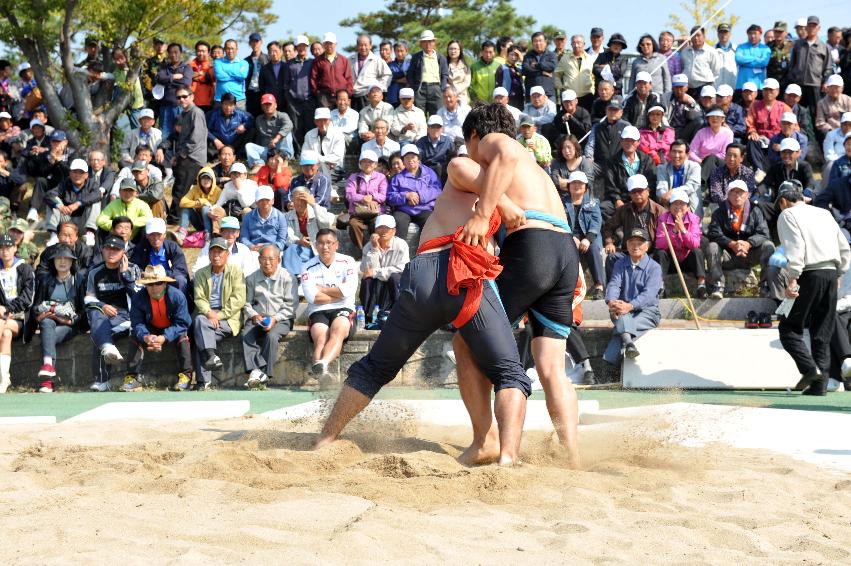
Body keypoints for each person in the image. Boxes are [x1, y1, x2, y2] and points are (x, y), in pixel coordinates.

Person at [314, 157, 530, 467]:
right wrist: (505, 205)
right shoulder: (475, 169)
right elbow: (462, 167)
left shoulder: (488, 188)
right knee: (509, 372)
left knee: (376, 367)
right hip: (456, 274)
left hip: (439, 277)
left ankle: (325, 440)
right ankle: (508, 458)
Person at [451, 103, 581, 467]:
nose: (470, 153)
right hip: (563, 251)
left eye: (469, 145)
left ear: (476, 136)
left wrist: (481, 212)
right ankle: (572, 454)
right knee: (551, 366)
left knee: (466, 339)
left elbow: (504, 151)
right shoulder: (535, 169)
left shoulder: (499, 143)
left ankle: (489, 443)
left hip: (532, 247)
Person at [776, 182, 851, 396]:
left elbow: (796, 249)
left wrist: (792, 279)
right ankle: (819, 386)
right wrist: (839, 273)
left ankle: (811, 369)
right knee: (822, 332)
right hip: (830, 274)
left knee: (788, 329)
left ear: (783, 201)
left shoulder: (787, 215)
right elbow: (844, 248)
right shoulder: (824, 214)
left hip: (809, 273)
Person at [300, 229, 359, 381]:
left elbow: (350, 290)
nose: (325, 247)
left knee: (337, 330)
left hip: (344, 309)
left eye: (329, 243)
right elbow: (312, 297)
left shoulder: (348, 261)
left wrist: (323, 289)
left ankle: (322, 364)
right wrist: (338, 293)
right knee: (320, 338)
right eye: (320, 243)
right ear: (315, 245)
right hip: (318, 310)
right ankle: (322, 374)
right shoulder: (307, 267)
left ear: (336, 245)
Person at [84, 235, 141, 391]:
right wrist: (103, 306)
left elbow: (139, 297)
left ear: (123, 252)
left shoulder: (133, 269)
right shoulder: (94, 272)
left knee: (99, 333)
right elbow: (89, 299)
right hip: (103, 316)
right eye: (108, 248)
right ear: (102, 250)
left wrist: (125, 275)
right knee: (96, 315)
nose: (111, 252)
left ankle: (102, 380)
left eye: (116, 249)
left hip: (127, 317)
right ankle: (108, 347)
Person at [706, 180, 776, 299]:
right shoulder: (719, 212)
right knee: (712, 246)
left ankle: (765, 285)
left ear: (747, 195)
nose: (737, 196)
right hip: (727, 255)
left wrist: (748, 243)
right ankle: (717, 285)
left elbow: (763, 233)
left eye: (740, 192)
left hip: (749, 254)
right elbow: (713, 233)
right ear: (728, 195)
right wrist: (732, 244)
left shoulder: (756, 211)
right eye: (733, 192)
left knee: (769, 246)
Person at [127, 265, 193, 392]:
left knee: (182, 335)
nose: (154, 287)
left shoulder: (177, 296)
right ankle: (132, 377)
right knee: (135, 334)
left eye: (158, 283)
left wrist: (165, 337)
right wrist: (146, 337)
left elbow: (183, 323)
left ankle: (186, 375)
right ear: (145, 285)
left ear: (165, 283)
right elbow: (137, 323)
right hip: (150, 328)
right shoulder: (138, 298)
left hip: (172, 328)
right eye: (150, 284)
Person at [30, 244, 85, 393]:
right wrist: (39, 316)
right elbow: (36, 305)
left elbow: (84, 309)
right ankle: (48, 367)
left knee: (48, 336)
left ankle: (47, 380)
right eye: (58, 258)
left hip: (69, 325)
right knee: (47, 323)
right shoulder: (46, 280)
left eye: (66, 259)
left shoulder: (79, 279)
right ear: (53, 262)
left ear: (72, 261)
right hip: (48, 322)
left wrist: (69, 321)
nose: (62, 262)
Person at [192, 237, 246, 388]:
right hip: (207, 316)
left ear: (227, 255)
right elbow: (199, 298)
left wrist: (219, 315)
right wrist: (209, 313)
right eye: (213, 252)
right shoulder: (202, 273)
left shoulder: (235, 271)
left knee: (200, 331)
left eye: (220, 252)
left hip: (228, 318)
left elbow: (238, 299)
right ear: (208, 254)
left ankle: (204, 381)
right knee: (200, 325)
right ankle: (211, 358)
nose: (216, 255)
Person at [603, 228, 662, 363]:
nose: (635, 247)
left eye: (639, 243)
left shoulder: (654, 267)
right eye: (632, 243)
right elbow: (614, 284)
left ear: (647, 246)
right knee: (620, 314)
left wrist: (630, 306)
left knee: (625, 325)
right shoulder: (620, 263)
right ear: (627, 245)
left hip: (648, 311)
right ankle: (629, 345)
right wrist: (612, 302)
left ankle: (610, 363)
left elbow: (649, 294)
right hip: (623, 310)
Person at [242, 244, 298, 388]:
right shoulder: (251, 278)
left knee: (272, 336)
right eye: (264, 259)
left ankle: (264, 374)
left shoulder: (288, 277)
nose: (267, 263)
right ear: (259, 260)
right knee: (246, 333)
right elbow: (246, 303)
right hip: (259, 317)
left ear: (278, 260)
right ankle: (255, 370)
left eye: (271, 259)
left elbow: (291, 305)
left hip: (282, 318)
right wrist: (254, 315)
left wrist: (275, 319)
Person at [602, 173, 666, 278]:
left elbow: (664, 237)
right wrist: (609, 242)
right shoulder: (624, 209)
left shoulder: (660, 211)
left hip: (651, 254)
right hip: (629, 253)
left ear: (648, 191)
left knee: (661, 254)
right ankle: (614, 289)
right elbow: (608, 227)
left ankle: (658, 286)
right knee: (612, 258)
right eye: (633, 191)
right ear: (630, 194)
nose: (637, 194)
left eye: (640, 191)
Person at [654, 189, 707, 298]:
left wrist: (683, 231)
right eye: (675, 203)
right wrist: (673, 231)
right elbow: (659, 243)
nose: (678, 206)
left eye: (682, 203)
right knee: (659, 253)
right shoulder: (663, 219)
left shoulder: (694, 219)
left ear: (687, 207)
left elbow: (695, 243)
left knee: (697, 252)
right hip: (671, 261)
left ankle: (701, 286)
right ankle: (660, 287)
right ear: (669, 206)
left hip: (686, 259)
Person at [359, 214, 409, 323]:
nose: (383, 231)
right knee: (367, 280)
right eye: (380, 228)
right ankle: (368, 315)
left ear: (394, 231)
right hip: (377, 283)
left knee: (395, 277)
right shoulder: (369, 246)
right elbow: (366, 271)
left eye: (387, 228)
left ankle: (400, 313)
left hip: (393, 282)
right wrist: (374, 249)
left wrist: (376, 272)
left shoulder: (401, 245)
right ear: (375, 230)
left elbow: (402, 268)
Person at [386, 145, 441, 244]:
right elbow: (390, 197)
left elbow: (437, 190)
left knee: (430, 222)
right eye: (407, 158)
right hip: (404, 210)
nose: (410, 160)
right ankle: (400, 253)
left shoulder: (429, 173)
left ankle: (426, 252)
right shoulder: (398, 178)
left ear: (418, 158)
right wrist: (406, 196)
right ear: (403, 161)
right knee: (399, 221)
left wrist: (419, 195)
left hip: (425, 209)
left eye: (413, 157)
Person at [562, 171, 604, 299]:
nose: (577, 185)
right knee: (565, 249)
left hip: (589, 237)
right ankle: (568, 288)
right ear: (568, 186)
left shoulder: (593, 202)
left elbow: (596, 222)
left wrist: (588, 239)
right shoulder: (561, 202)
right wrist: (571, 237)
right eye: (573, 183)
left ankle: (599, 286)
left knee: (594, 248)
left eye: (580, 183)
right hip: (568, 237)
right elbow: (560, 221)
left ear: (586, 186)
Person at [0, 233, 34, 393]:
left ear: (15, 248)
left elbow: (28, 298)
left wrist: (8, 309)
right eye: (1, 248)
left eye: (8, 247)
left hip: (21, 319)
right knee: (5, 334)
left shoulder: (24, 268)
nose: (4, 251)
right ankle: (4, 378)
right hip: (3, 319)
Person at [600, 126, 657, 220]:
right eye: (626, 140)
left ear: (638, 142)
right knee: (603, 208)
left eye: (632, 140)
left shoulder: (647, 160)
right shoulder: (612, 161)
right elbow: (610, 185)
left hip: (642, 198)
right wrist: (617, 200)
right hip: (621, 199)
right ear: (621, 142)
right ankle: (613, 232)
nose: (629, 143)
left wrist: (641, 198)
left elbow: (651, 183)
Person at [170, 86, 207, 223]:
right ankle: (176, 218)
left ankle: (174, 219)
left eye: (184, 96)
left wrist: (182, 154)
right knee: (179, 189)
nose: (182, 100)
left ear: (192, 96)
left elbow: (195, 138)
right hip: (186, 155)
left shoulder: (196, 112)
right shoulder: (184, 114)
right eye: (179, 97)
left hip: (192, 157)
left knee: (180, 190)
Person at [44, 158, 100, 247]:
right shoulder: (65, 183)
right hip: (67, 220)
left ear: (86, 175)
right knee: (54, 202)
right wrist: (60, 206)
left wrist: (78, 203)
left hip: (84, 222)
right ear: (70, 173)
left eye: (80, 172)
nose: (77, 175)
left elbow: (97, 194)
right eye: (74, 172)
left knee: (95, 202)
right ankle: (54, 234)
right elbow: (49, 195)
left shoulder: (92, 183)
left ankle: (90, 234)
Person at [129, 217, 189, 294]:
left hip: (169, 279)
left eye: (159, 234)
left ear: (164, 235)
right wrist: (143, 273)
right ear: (147, 235)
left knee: (180, 280)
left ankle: (179, 303)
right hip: (148, 281)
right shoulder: (140, 248)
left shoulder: (173, 247)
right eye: (152, 234)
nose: (155, 238)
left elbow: (181, 270)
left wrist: (161, 274)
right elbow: (134, 266)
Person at [344, 149, 387, 255]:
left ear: (375, 164)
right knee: (354, 224)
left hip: (375, 211)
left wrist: (372, 197)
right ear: (360, 163)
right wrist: (362, 198)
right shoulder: (353, 177)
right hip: (358, 212)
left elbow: (383, 196)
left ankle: (377, 250)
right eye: (364, 161)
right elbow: (349, 195)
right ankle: (363, 251)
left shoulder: (381, 177)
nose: (367, 164)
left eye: (370, 161)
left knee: (377, 225)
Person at [787, 16, 832, 112]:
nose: (812, 28)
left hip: (815, 84)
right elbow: (791, 65)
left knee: (816, 111)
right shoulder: (798, 44)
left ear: (819, 28)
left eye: (814, 26)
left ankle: (816, 128)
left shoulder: (824, 47)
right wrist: (793, 79)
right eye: (810, 26)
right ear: (806, 27)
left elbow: (828, 67)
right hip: (798, 84)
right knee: (798, 111)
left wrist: (825, 81)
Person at [192, 216, 258, 277]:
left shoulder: (243, 250)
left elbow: (248, 273)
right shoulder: (208, 247)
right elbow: (197, 270)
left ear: (238, 233)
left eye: (233, 231)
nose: (230, 235)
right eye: (227, 231)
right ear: (220, 232)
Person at [244, 93, 293, 171]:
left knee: (287, 133)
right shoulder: (259, 119)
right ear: (262, 106)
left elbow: (289, 125)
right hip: (267, 150)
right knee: (249, 146)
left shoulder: (283, 116)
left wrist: (277, 138)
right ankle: (259, 164)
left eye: (269, 104)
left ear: (275, 105)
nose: (267, 106)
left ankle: (284, 160)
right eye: (265, 104)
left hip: (281, 149)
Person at [96, 177, 153, 241]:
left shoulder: (141, 204)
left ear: (136, 193)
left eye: (131, 191)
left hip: (136, 238)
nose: (127, 193)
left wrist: (128, 224)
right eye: (125, 190)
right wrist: (117, 225)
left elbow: (149, 218)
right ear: (119, 191)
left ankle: (144, 250)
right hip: (116, 236)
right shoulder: (113, 204)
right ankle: (100, 250)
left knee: (146, 228)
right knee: (100, 230)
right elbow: (100, 220)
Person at [156, 43, 193, 140]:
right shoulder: (164, 67)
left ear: (181, 53)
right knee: (164, 135)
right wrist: (173, 77)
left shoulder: (187, 68)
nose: (173, 55)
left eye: (176, 52)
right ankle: (164, 155)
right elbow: (159, 78)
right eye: (171, 53)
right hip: (165, 107)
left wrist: (167, 81)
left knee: (182, 134)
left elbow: (186, 83)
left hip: (181, 107)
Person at [176, 166, 220, 246]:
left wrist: (206, 206)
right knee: (186, 209)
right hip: (199, 222)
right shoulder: (195, 189)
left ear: (212, 179)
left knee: (205, 208)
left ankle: (208, 235)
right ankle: (181, 234)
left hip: (213, 223)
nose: (206, 181)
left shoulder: (218, 191)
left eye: (208, 178)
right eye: (203, 178)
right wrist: (200, 202)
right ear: (199, 180)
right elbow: (182, 202)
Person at [406, 30, 448, 115]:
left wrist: (441, 89)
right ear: (421, 43)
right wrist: (415, 88)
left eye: (430, 41)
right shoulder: (416, 57)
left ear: (434, 42)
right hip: (420, 89)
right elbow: (410, 74)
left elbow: (445, 75)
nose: (427, 44)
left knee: (437, 116)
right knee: (419, 115)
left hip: (436, 89)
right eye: (424, 42)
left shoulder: (441, 57)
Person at [689, 106, 735, 183]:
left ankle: (701, 183)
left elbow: (725, 154)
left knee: (711, 158)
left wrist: (707, 160)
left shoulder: (728, 133)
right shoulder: (701, 132)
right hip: (701, 162)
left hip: (720, 162)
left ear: (723, 119)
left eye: (717, 116)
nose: (714, 118)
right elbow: (691, 151)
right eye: (712, 116)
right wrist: (700, 161)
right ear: (708, 119)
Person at [284, 36, 314, 152]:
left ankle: (310, 152)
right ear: (296, 48)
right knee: (296, 127)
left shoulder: (312, 62)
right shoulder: (289, 64)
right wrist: (289, 100)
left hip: (309, 100)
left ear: (307, 47)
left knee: (310, 127)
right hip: (294, 102)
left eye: (304, 46)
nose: (302, 48)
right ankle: (299, 152)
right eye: (299, 46)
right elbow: (285, 84)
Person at [656, 139, 702, 213]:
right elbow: (660, 188)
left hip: (689, 207)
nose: (676, 155)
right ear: (669, 153)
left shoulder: (695, 167)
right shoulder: (662, 168)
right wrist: (665, 196)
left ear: (687, 155)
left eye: (680, 152)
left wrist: (672, 192)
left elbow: (691, 186)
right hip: (669, 205)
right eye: (674, 152)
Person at [310, 32, 353, 109]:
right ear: (323, 45)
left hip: (341, 96)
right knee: (326, 120)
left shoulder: (344, 60)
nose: (329, 46)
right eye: (326, 43)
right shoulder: (317, 61)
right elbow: (313, 78)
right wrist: (318, 93)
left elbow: (349, 78)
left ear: (335, 44)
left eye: (331, 43)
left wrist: (348, 93)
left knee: (342, 118)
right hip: (324, 97)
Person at [205, 92, 254, 161]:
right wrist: (215, 140)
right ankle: (216, 156)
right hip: (219, 143)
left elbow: (251, 119)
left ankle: (240, 156)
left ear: (234, 105)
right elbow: (205, 129)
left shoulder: (240, 113)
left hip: (234, 142)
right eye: (225, 104)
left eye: (231, 105)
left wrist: (244, 126)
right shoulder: (213, 114)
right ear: (221, 104)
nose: (228, 107)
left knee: (251, 131)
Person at [240, 185, 288, 253]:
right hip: (253, 251)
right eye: (261, 200)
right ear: (256, 201)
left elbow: (281, 241)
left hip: (274, 251)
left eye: (267, 200)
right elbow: (244, 238)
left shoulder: (280, 217)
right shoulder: (248, 217)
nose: (264, 202)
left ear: (273, 201)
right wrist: (251, 246)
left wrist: (267, 248)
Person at [348, 35, 391, 110]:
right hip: (354, 95)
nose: (363, 48)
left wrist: (379, 89)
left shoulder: (377, 60)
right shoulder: (349, 59)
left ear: (370, 46)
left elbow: (387, 75)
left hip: (368, 96)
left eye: (365, 45)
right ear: (357, 46)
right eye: (361, 45)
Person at [554, 35, 596, 111]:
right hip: (569, 97)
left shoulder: (590, 59)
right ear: (571, 45)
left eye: (579, 43)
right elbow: (556, 74)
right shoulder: (565, 58)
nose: (576, 45)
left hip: (587, 96)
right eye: (574, 43)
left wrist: (592, 90)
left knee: (586, 119)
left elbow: (594, 76)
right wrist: (561, 87)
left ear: (584, 44)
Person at [302, 107, 345, 180]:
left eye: (325, 120)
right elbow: (305, 155)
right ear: (315, 122)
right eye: (319, 120)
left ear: (330, 120)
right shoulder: (309, 135)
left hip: (334, 170)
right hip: (314, 168)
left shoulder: (338, 135)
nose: (322, 123)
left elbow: (337, 157)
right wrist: (323, 161)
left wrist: (318, 158)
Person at [680, 26, 721, 98]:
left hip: (704, 86)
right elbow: (682, 67)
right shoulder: (685, 51)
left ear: (704, 36)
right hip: (688, 88)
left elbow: (716, 71)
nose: (696, 38)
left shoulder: (711, 51)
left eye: (698, 35)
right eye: (693, 36)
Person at [415, 115, 454, 180]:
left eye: (438, 127)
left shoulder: (448, 141)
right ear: (428, 129)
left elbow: (453, 159)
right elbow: (419, 160)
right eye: (432, 127)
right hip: (426, 173)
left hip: (444, 173)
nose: (435, 130)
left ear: (442, 129)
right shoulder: (420, 142)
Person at [214, 39, 249, 108]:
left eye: (232, 48)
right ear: (224, 50)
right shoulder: (218, 62)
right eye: (228, 48)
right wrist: (236, 75)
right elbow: (219, 76)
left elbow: (242, 75)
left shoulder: (244, 63)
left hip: (239, 101)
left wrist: (226, 71)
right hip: (220, 100)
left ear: (237, 50)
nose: (230, 51)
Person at [523, 32, 558, 100]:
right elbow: (525, 70)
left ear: (545, 42)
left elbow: (552, 66)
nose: (538, 43)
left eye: (540, 41)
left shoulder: (551, 55)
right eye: (535, 41)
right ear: (532, 43)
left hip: (548, 93)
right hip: (531, 94)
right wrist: (541, 72)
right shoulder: (528, 56)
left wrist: (536, 65)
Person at [736, 24, 771, 92]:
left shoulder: (765, 48)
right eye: (750, 34)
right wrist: (755, 58)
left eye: (755, 33)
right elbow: (738, 59)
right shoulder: (741, 47)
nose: (752, 36)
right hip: (742, 85)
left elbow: (764, 63)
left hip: (758, 86)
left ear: (760, 34)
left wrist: (744, 63)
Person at [823, 113, 851, 185]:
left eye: (850, 124)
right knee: (830, 166)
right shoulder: (831, 134)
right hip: (834, 161)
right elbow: (828, 153)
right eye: (845, 124)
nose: (847, 126)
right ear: (841, 124)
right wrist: (839, 162)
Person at [190, 41, 215, 113]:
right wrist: (200, 74)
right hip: (192, 101)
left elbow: (210, 78)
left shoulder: (212, 66)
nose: (201, 53)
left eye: (203, 51)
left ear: (208, 53)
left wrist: (195, 76)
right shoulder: (190, 65)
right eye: (198, 51)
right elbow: (187, 75)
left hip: (208, 102)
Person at [446, 40, 470, 105]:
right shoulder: (444, 64)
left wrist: (455, 90)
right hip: (448, 97)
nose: (453, 51)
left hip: (462, 96)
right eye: (451, 49)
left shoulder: (465, 65)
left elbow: (467, 82)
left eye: (455, 49)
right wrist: (450, 91)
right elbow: (442, 80)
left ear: (460, 50)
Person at [386, 41, 410, 106]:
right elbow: (387, 79)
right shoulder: (389, 65)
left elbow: (410, 78)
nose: (399, 53)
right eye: (397, 51)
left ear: (406, 51)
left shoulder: (411, 64)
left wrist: (395, 79)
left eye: (402, 51)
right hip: (393, 97)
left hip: (407, 97)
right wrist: (399, 79)